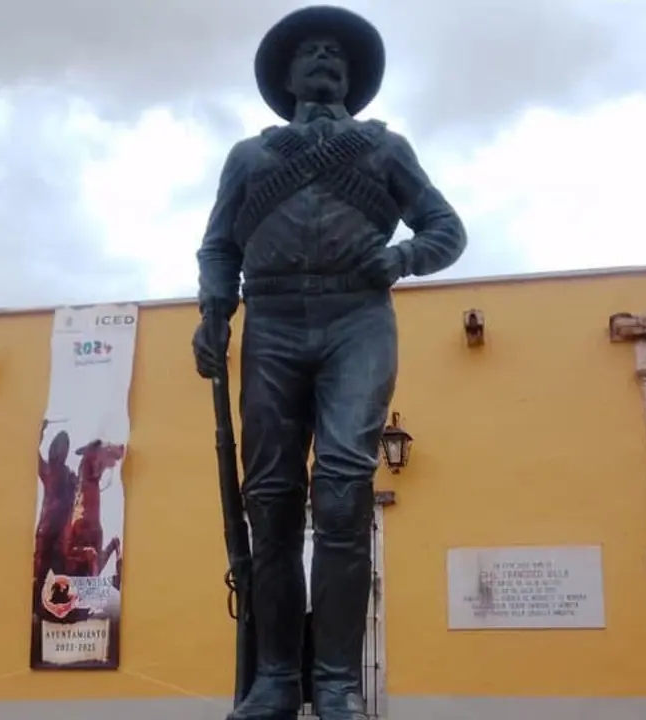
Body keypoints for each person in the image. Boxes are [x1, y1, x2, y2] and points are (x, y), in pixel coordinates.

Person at [192, 6, 467, 720]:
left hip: (357, 318)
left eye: (337, 55)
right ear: (285, 75)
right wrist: (214, 312)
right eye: (311, 53)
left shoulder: (384, 148)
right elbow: (220, 245)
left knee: (343, 492)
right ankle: (278, 677)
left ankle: (339, 681)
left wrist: (403, 256)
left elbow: (446, 229)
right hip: (274, 322)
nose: (325, 60)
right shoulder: (250, 158)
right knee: (272, 504)